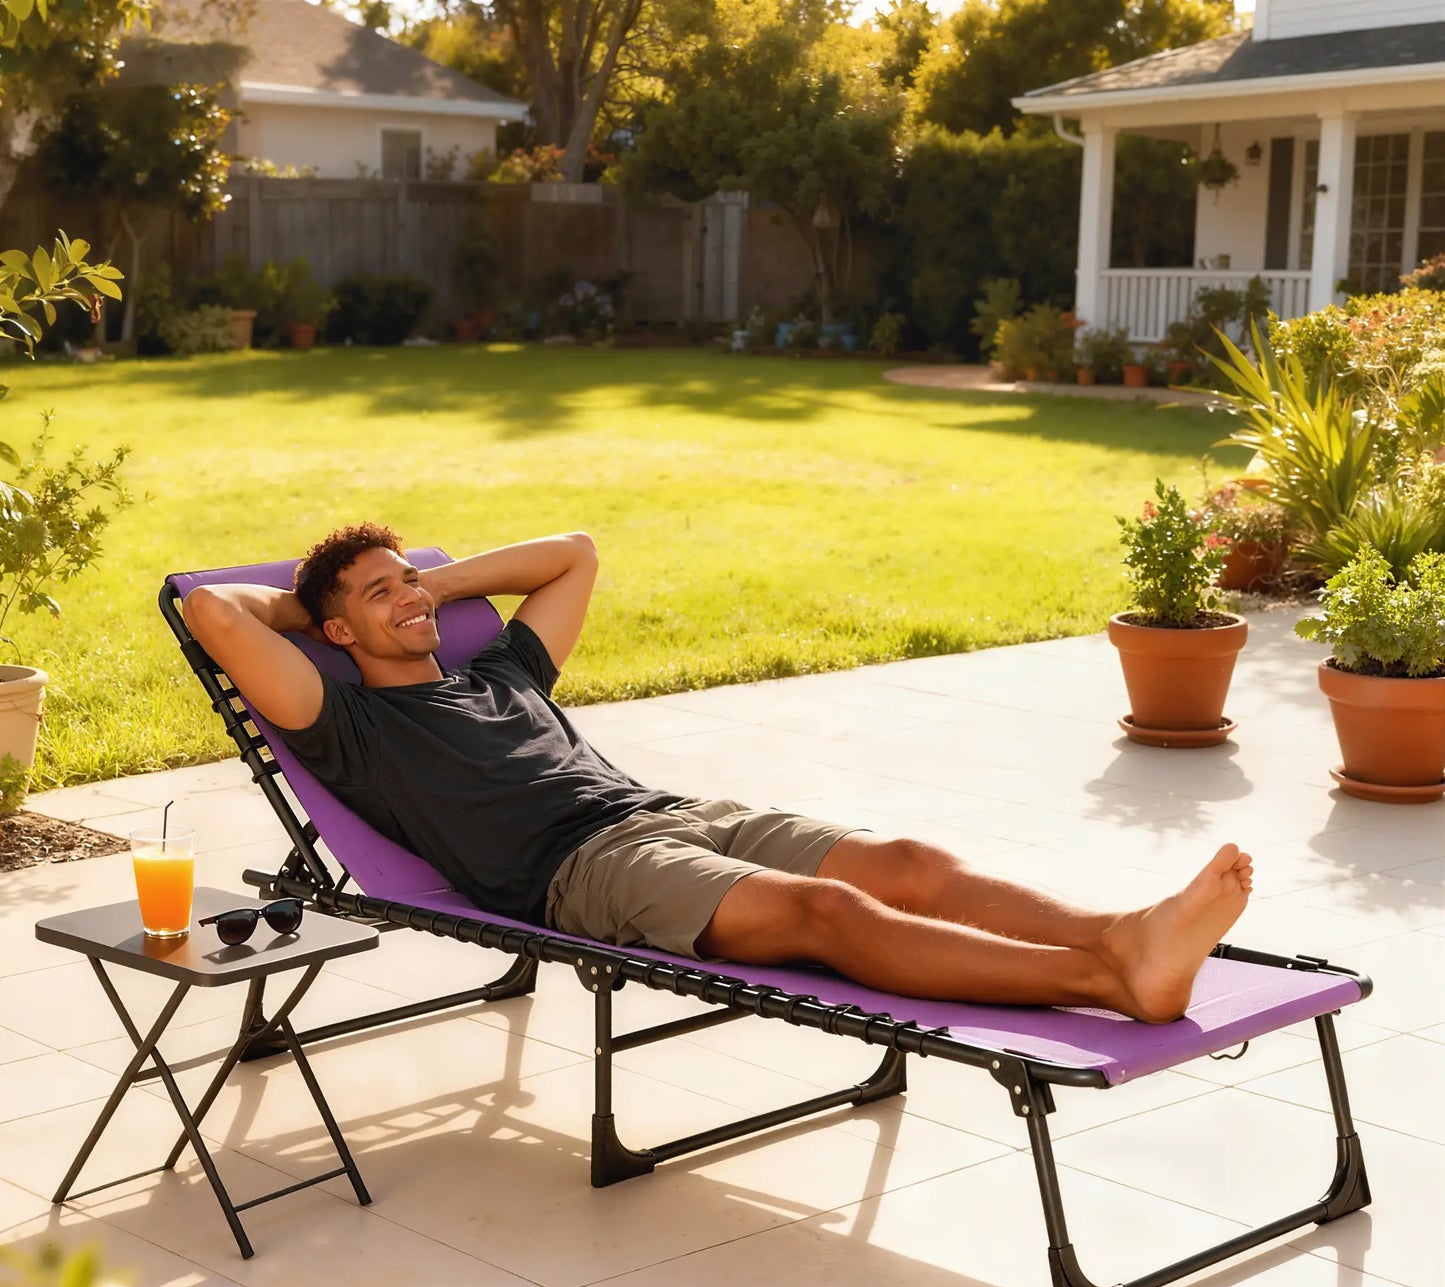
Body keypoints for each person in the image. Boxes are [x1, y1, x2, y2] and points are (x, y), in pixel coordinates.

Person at [185, 523, 1253, 1024]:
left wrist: (419, 587)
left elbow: (574, 552)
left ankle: (1117, 934)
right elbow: (209, 608)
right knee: (827, 909)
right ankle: (1108, 980)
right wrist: (311, 609)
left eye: (411, 581)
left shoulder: (497, 667)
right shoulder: (352, 720)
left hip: (673, 813)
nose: (411, 598)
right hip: (583, 870)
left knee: (908, 860)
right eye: (378, 596)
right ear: (332, 629)